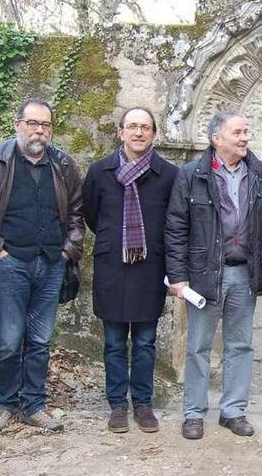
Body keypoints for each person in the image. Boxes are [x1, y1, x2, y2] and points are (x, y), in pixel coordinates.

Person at [0, 97, 84, 432]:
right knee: (9, 340)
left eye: (46, 125)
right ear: (17, 125)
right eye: (33, 123)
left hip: (52, 265)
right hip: (10, 265)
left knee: (40, 341)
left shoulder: (64, 166)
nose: (40, 130)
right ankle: (4, 404)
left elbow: (78, 215)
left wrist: (69, 249)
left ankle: (35, 405)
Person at [165, 110, 262, 440]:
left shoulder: (259, 173)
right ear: (217, 139)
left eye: (246, 132)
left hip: (244, 275)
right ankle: (194, 413)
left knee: (240, 345)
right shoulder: (191, 174)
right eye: (238, 133)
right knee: (198, 346)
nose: (245, 138)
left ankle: (233, 411)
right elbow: (175, 227)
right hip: (204, 275)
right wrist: (178, 275)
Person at [82, 107, 178, 434]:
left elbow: (173, 221)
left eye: (145, 127)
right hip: (112, 265)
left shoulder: (168, 174)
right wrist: (117, 239)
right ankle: (117, 405)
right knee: (112, 342)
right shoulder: (100, 171)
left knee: (146, 341)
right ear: (121, 132)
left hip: (150, 267)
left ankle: (142, 403)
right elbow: (91, 215)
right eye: (132, 126)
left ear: (153, 134)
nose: (139, 132)